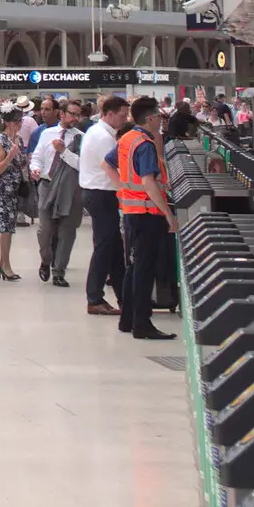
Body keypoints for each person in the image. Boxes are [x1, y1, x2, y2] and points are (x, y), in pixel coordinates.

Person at [106, 96, 177, 341]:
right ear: (150, 118)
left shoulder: (127, 138)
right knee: (145, 269)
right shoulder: (144, 144)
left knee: (134, 267)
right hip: (148, 214)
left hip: (132, 213)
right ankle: (142, 325)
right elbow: (148, 181)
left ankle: (127, 320)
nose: (160, 120)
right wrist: (168, 214)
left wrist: (122, 192)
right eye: (159, 116)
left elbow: (107, 164)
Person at [81, 95, 129, 317]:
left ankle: (124, 296)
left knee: (114, 248)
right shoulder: (104, 138)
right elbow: (112, 168)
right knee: (104, 247)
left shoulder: (97, 132)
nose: (124, 118)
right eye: (122, 114)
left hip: (98, 193)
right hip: (100, 194)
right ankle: (94, 298)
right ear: (109, 114)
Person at [30, 99, 84, 288]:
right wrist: (35, 168)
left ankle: (59, 271)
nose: (76, 118)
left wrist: (64, 152)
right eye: (72, 114)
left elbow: (82, 165)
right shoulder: (46, 134)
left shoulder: (80, 137)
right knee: (45, 229)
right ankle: (46, 260)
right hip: (46, 185)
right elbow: (37, 156)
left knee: (66, 232)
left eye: (78, 114)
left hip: (70, 190)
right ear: (62, 114)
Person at [0, 107, 29, 281]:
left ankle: (2, 263)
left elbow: (23, 161)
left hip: (13, 187)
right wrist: (11, 155)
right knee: (5, 227)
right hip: (0, 187)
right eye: (18, 121)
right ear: (10, 123)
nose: (20, 124)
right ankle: (6, 265)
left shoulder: (17, 139)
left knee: (9, 227)